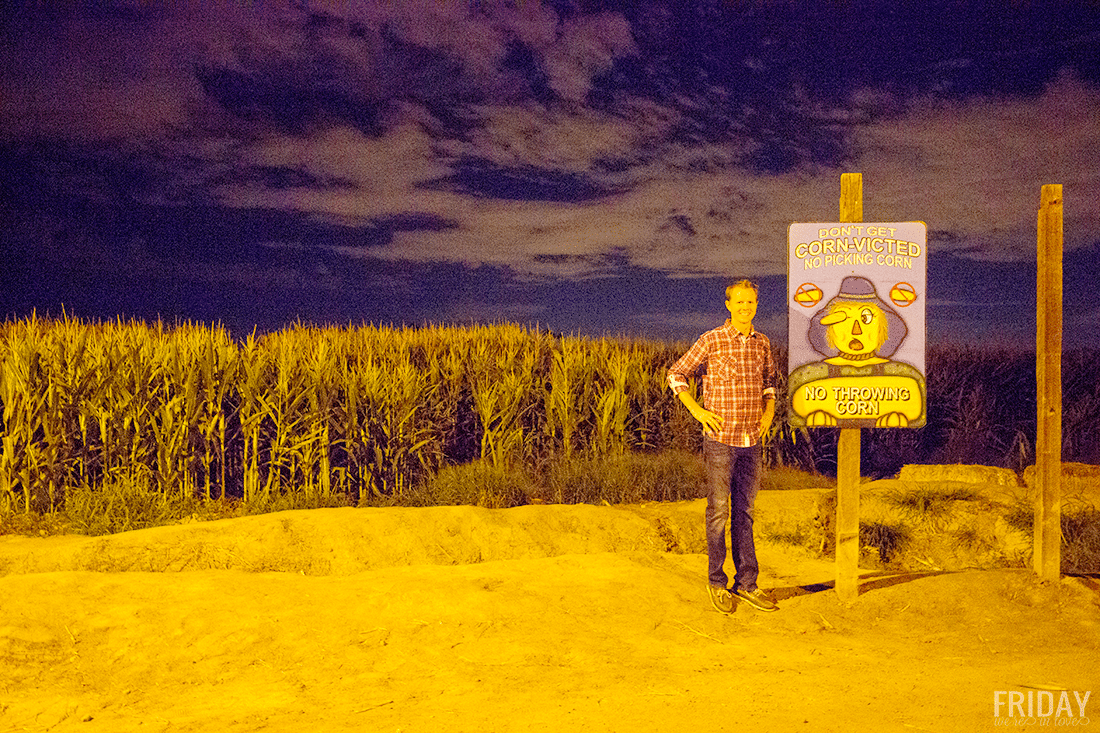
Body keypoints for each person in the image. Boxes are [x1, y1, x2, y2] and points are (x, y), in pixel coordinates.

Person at [667, 279, 778, 613]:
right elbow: (677, 374)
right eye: (739, 302)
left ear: (756, 305)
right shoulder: (712, 340)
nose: (745, 307)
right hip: (720, 440)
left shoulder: (762, 343)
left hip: (751, 440)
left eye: (751, 302)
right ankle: (717, 582)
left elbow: (770, 383)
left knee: (745, 511)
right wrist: (697, 410)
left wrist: (769, 412)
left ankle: (747, 584)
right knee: (718, 511)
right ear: (729, 305)